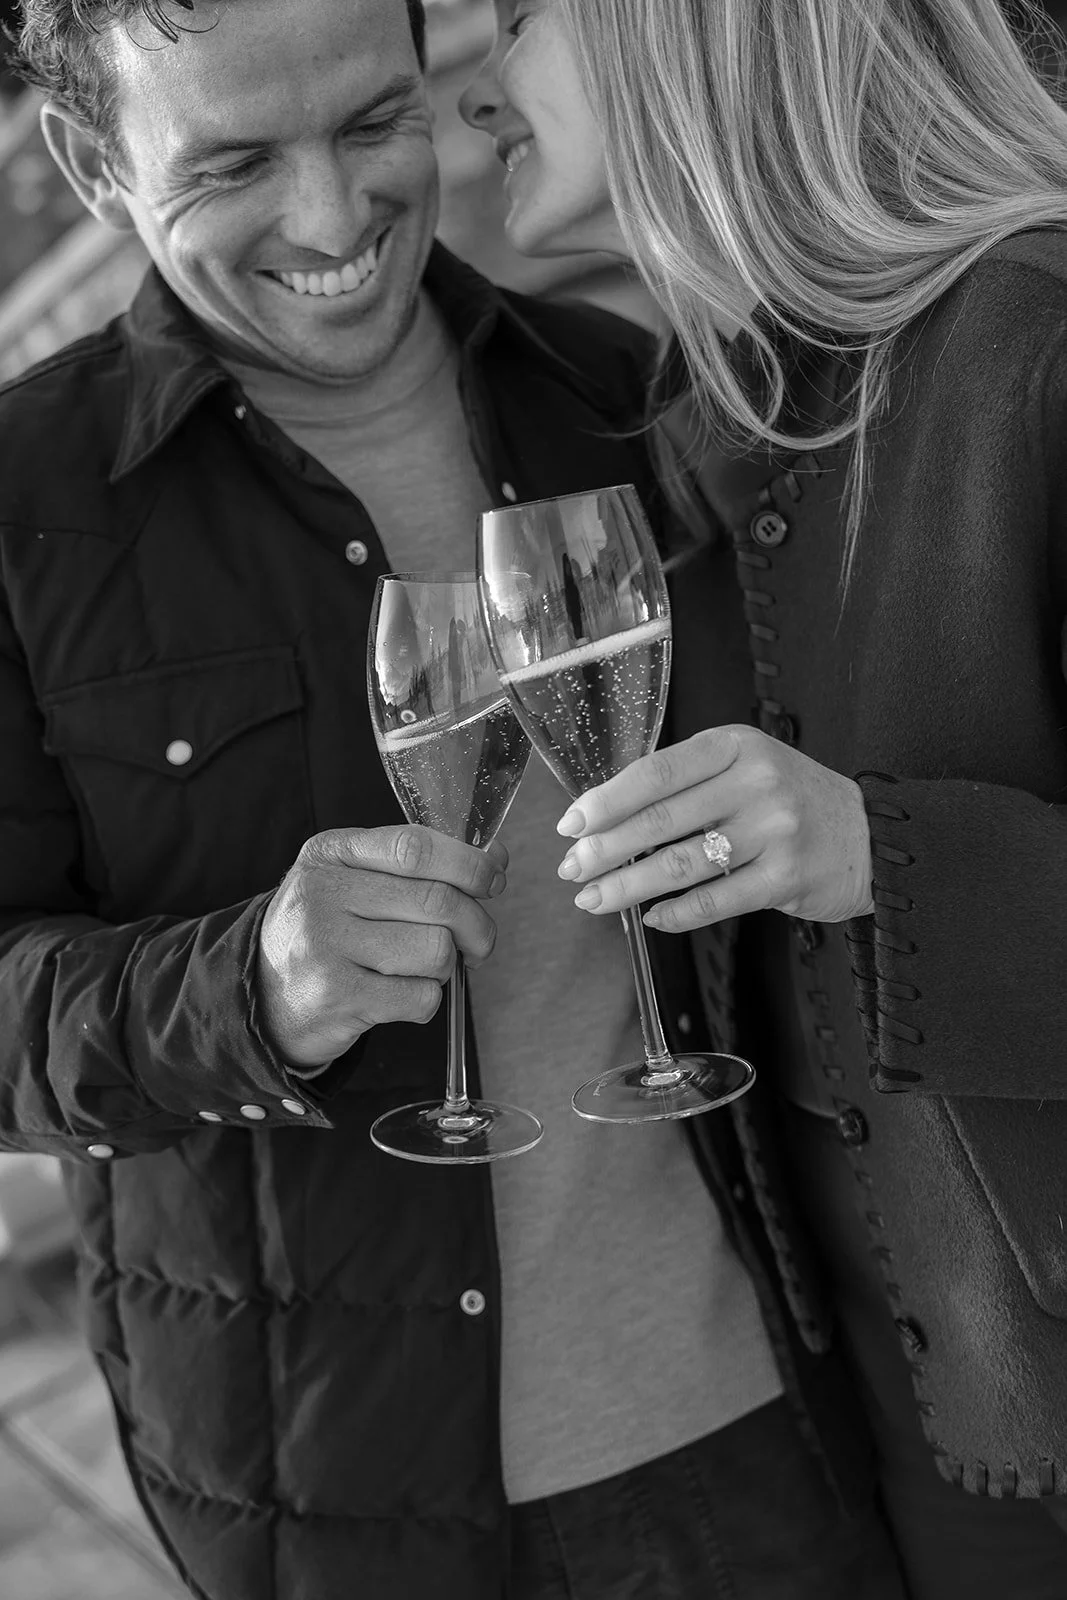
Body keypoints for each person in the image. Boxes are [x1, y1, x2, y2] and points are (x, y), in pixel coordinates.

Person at [0, 1, 909, 1597]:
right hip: (343, 1505)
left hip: (778, 1413)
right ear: (94, 163)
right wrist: (248, 990)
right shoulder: (24, 514)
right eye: (232, 163)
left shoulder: (625, 389)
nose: (333, 219)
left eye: (370, 124)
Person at [460, 1, 1067, 1596]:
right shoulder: (734, 429)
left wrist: (888, 855)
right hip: (897, 1413)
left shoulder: (1042, 336)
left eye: (519, 15)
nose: (470, 71)